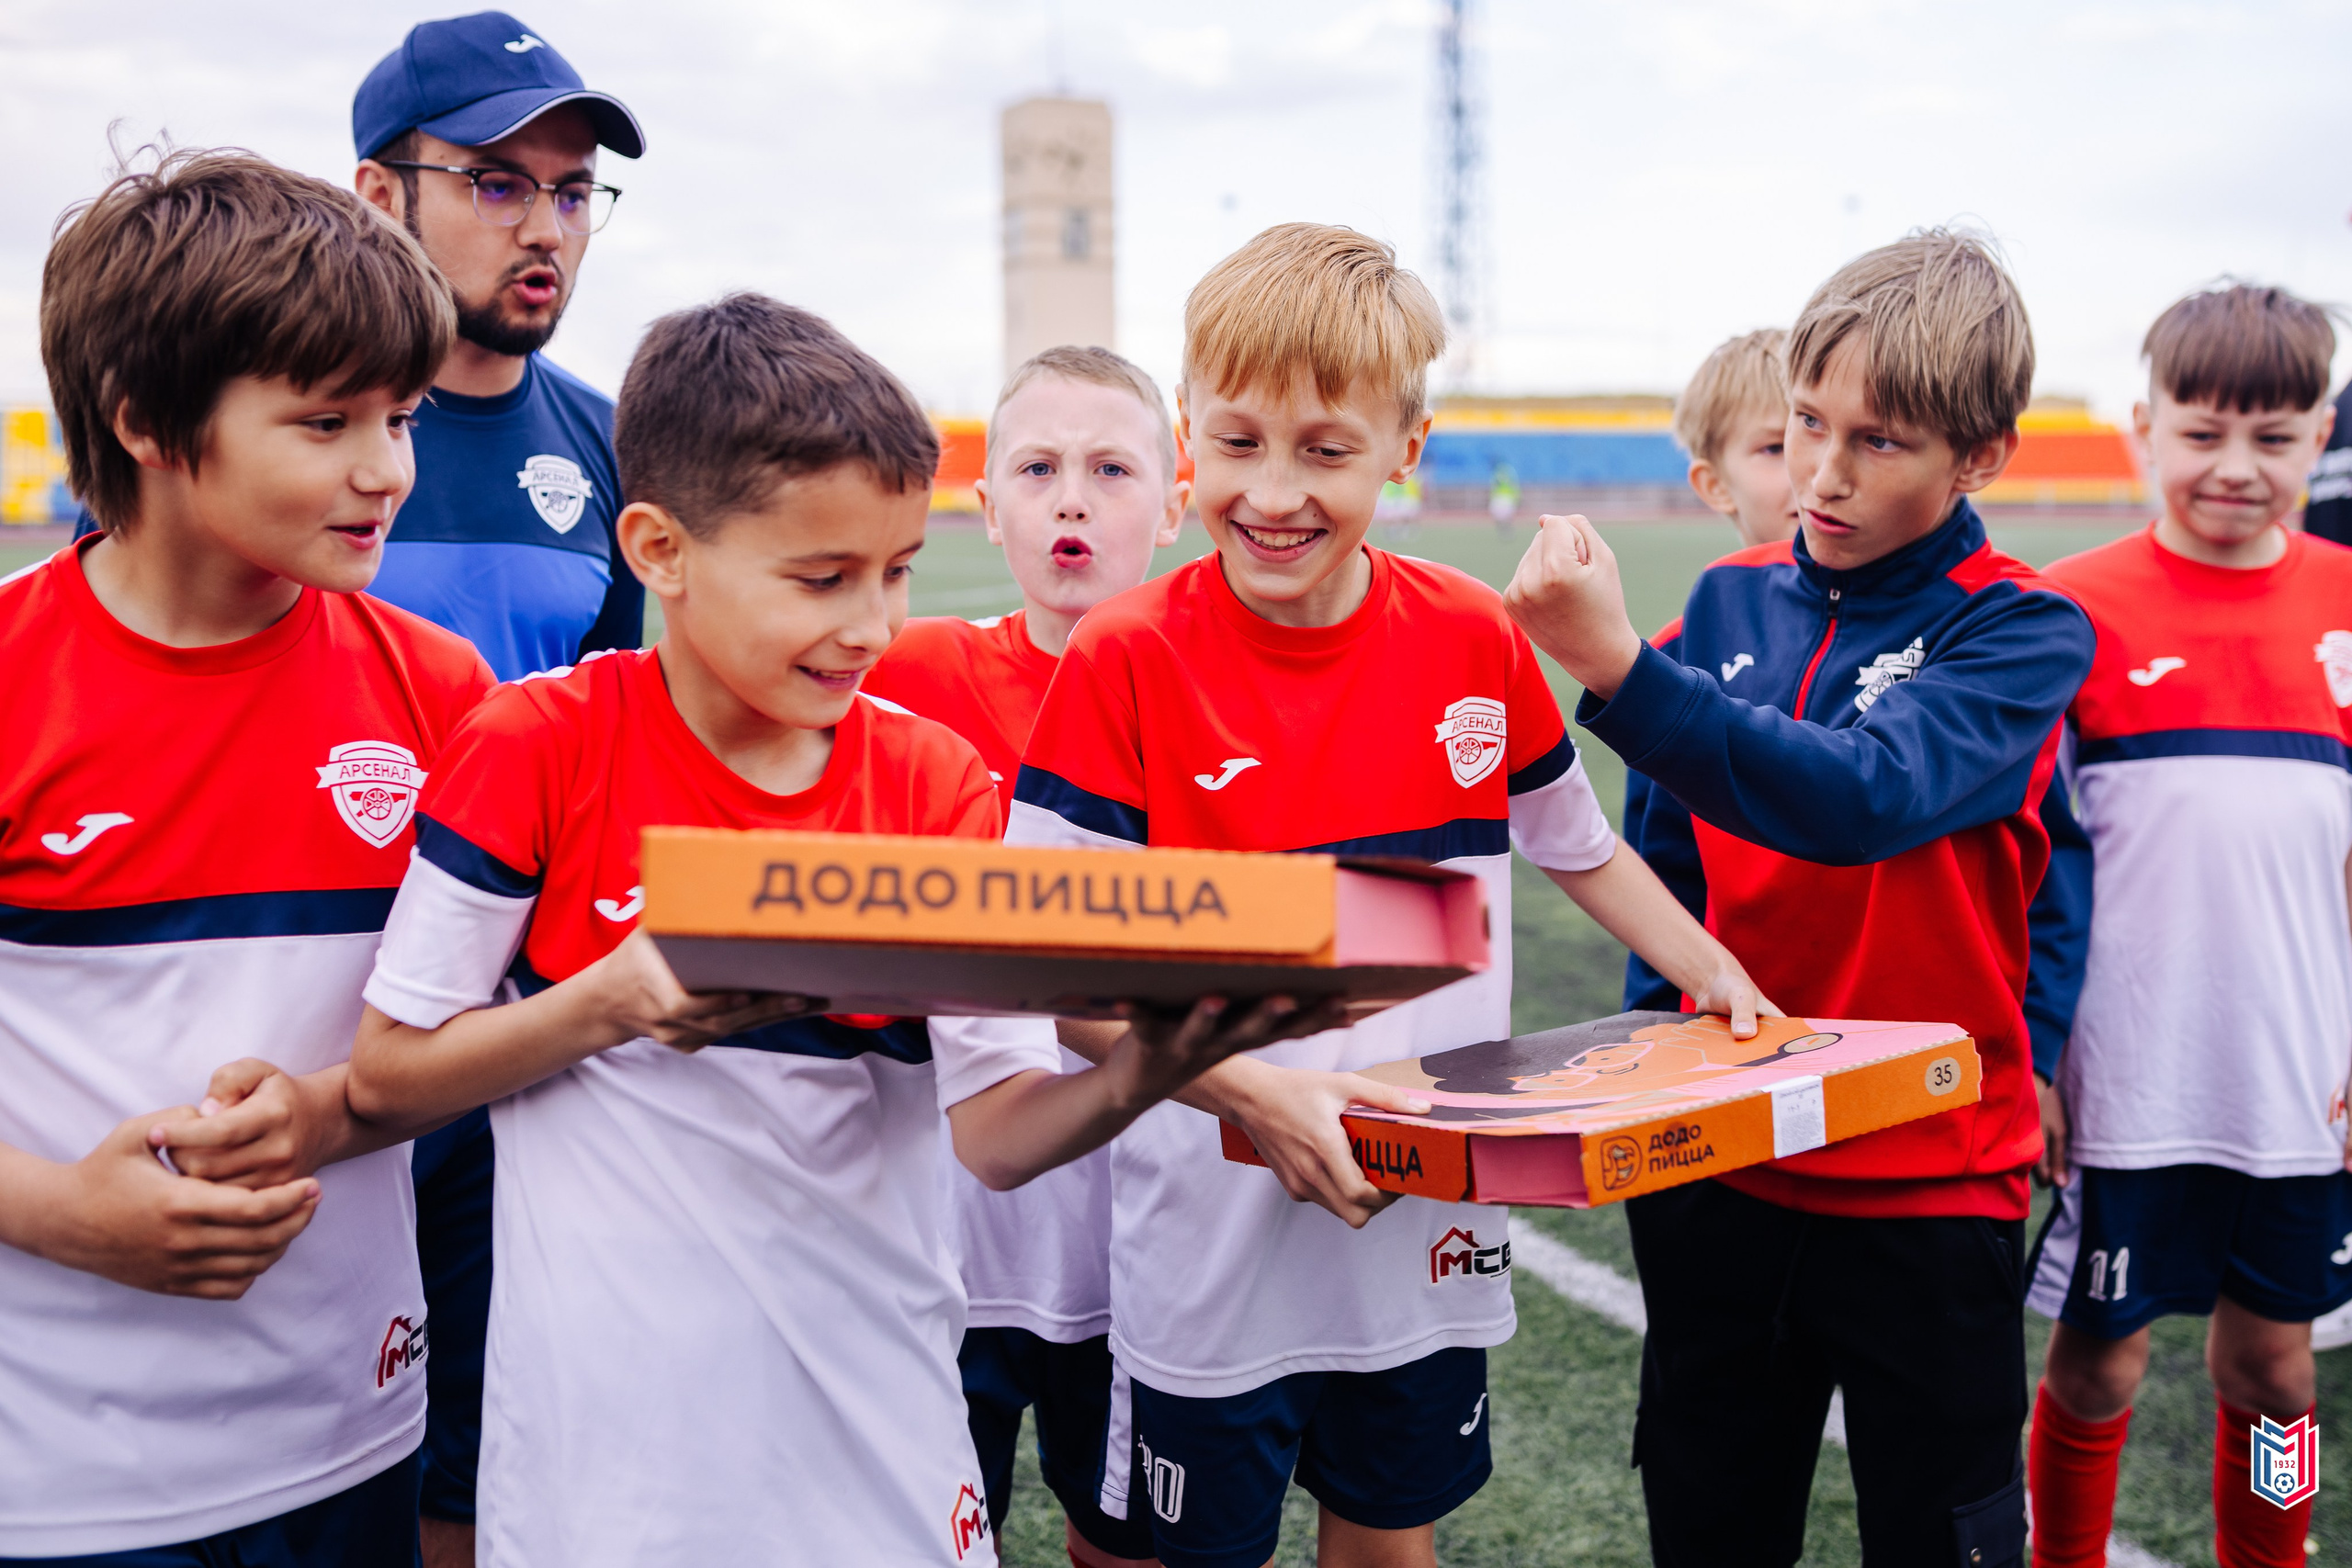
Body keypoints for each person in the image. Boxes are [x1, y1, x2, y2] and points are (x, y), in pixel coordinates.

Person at [343, 293, 1340, 1566]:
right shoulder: (534, 745)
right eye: (822, 578)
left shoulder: (933, 784)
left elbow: (995, 1135)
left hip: (879, 1450)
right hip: (608, 1468)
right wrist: (614, 998)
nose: (871, 622)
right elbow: (388, 1073)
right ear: (658, 548)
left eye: (897, 570)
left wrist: (1157, 1062)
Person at [1009, 222, 1775, 1568]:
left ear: (1403, 452)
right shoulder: (1130, 657)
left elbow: (1576, 841)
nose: (1274, 491)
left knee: (1390, 1536)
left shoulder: (1473, 633)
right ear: (1193, 437)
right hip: (1209, 1243)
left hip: (1423, 1236)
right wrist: (1253, 1093)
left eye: (1325, 449)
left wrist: (1706, 960)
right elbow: (1055, 986)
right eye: (1239, 443)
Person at [1503, 229, 2097, 1568]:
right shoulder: (1724, 601)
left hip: (1931, 1182)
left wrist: (1616, 666)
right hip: (1727, 1169)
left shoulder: (2024, 627)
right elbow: (1656, 864)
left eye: (1878, 442)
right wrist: (1651, 1075)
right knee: (1712, 1524)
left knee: (1943, 1534)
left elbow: (1862, 797)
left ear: (1983, 455)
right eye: (1807, 424)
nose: (1824, 473)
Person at [0, 150, 491, 1563]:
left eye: (398, 415)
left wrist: (334, 1107)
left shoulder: (439, 687)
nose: (386, 467)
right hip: (62, 1473)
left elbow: (501, 1029)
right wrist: (63, 1212)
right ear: (147, 420)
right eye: (325, 420)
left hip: (353, 1430)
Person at [349, 17, 646, 1559]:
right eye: (495, 181)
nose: (544, 226)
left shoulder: (609, 448)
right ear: (377, 191)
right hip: (294, 1021)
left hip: (518, 1047)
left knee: (470, 1461)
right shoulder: (275, 437)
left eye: (575, 191)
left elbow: (626, 746)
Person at [2025, 284, 2348, 1568]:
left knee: (2278, 1369)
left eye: (2272, 437)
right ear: (2144, 427)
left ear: (2319, 436)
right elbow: (2031, 863)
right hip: (2130, 1077)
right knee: (2102, 1361)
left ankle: (2271, 1557)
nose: (2235, 466)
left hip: (2299, 1077)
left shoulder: (2346, 600)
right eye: (2204, 430)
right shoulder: (2070, 606)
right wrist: (2041, 1056)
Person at [860, 344, 1185, 1568]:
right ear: (985, 505)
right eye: (1038, 467)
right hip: (935, 1233)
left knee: (1129, 1543)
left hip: (1136, 1237)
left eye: (1111, 467)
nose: (1073, 498)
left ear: (1175, 494)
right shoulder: (907, 673)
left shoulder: (1205, 693)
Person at [1623, 327, 1804, 1009]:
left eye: (1821, 433)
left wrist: (2042, 1041)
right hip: (1733, 1044)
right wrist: (1649, 1032)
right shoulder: (1671, 658)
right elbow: (1658, 881)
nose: (1808, 468)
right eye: (1774, 447)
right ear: (1713, 482)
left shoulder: (1937, 637)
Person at [1671, 328, 1800, 549]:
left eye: (1822, 442)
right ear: (1715, 485)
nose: (1817, 471)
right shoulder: (1719, 584)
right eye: (1775, 449)